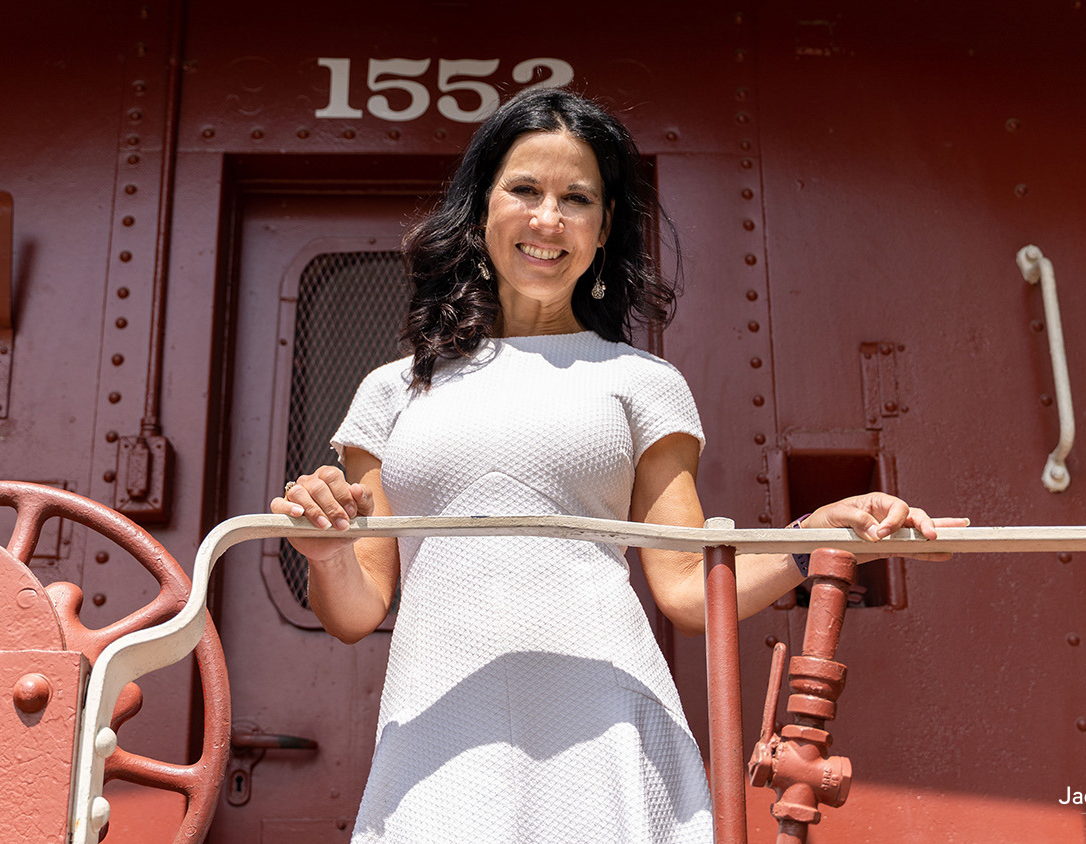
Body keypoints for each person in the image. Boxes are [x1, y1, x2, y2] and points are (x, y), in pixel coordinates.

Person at [273, 89, 964, 843]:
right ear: (480, 211)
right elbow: (358, 610)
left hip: (607, 725)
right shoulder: (392, 390)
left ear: (603, 230)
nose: (548, 219)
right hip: (439, 732)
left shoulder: (641, 382)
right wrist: (324, 553)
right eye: (525, 191)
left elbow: (686, 590)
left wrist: (816, 533)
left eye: (577, 199)